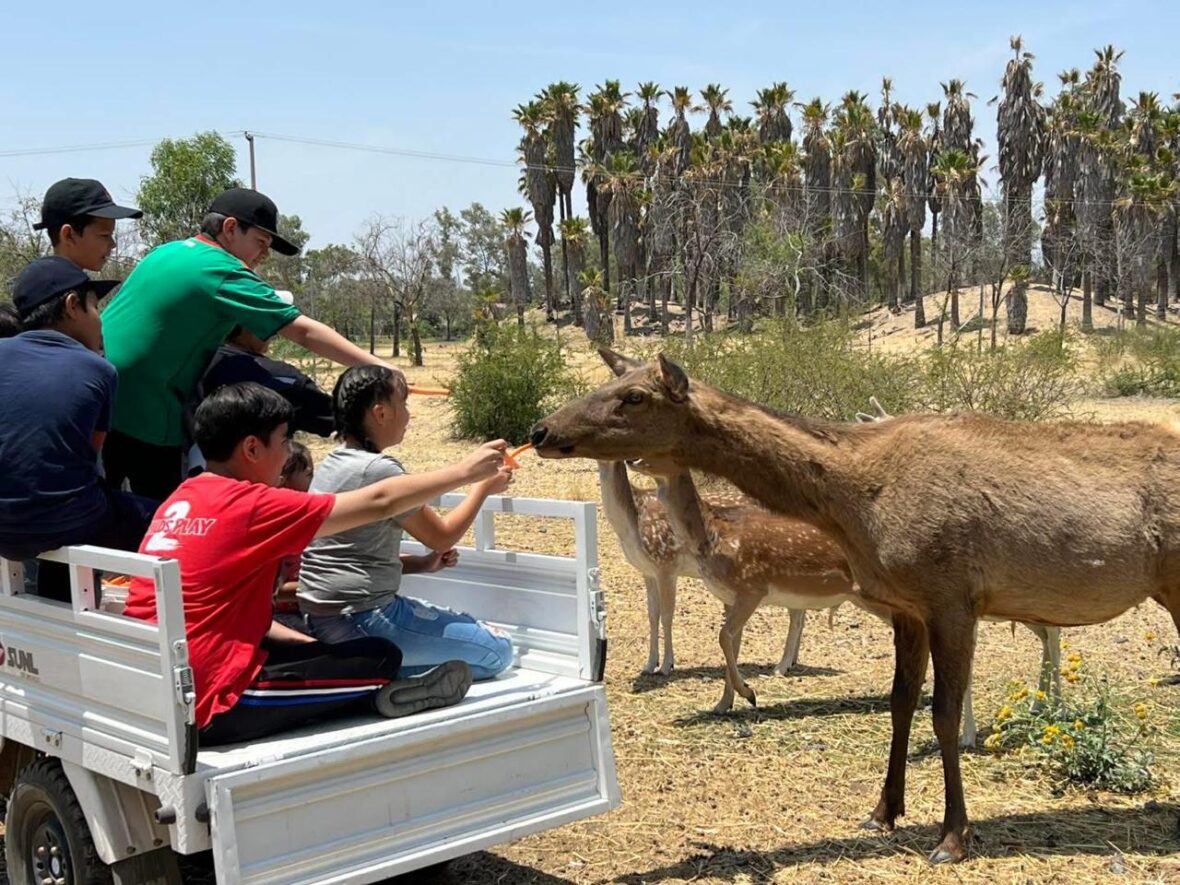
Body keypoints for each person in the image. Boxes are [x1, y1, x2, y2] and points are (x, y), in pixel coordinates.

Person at [122, 382, 511, 746]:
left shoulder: (182, 498)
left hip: (153, 683)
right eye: (284, 441)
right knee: (380, 656)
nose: (287, 455)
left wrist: (311, 646)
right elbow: (380, 501)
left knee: (328, 654)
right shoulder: (251, 505)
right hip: (214, 703)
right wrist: (464, 473)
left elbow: (221, 614)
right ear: (252, 449)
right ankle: (381, 694)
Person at [101, 187, 390, 500]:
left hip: (104, 401)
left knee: (104, 510)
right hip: (150, 415)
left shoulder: (166, 252)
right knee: (165, 515)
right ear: (229, 228)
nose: (264, 254)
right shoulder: (220, 268)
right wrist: (380, 367)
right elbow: (302, 331)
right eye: (261, 242)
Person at [299, 366, 515, 680]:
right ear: (381, 413)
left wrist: (422, 564)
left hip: (322, 619)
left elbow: (348, 554)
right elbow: (442, 537)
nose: (408, 415)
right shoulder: (378, 469)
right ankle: (384, 675)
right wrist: (482, 487)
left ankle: (379, 671)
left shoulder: (332, 463)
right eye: (403, 403)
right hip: (367, 618)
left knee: (469, 632)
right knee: (498, 650)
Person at [0, 258, 156, 601]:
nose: (100, 319)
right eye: (95, 307)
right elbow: (88, 452)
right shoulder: (97, 369)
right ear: (72, 305)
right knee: (163, 518)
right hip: (63, 520)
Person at [199, 323, 334, 438]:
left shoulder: (197, 365)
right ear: (246, 326)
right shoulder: (280, 376)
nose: (275, 331)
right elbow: (334, 420)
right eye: (268, 322)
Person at [34, 177, 142, 272]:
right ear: (68, 235)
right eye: (104, 235)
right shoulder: (54, 287)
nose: (113, 244)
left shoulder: (50, 282)